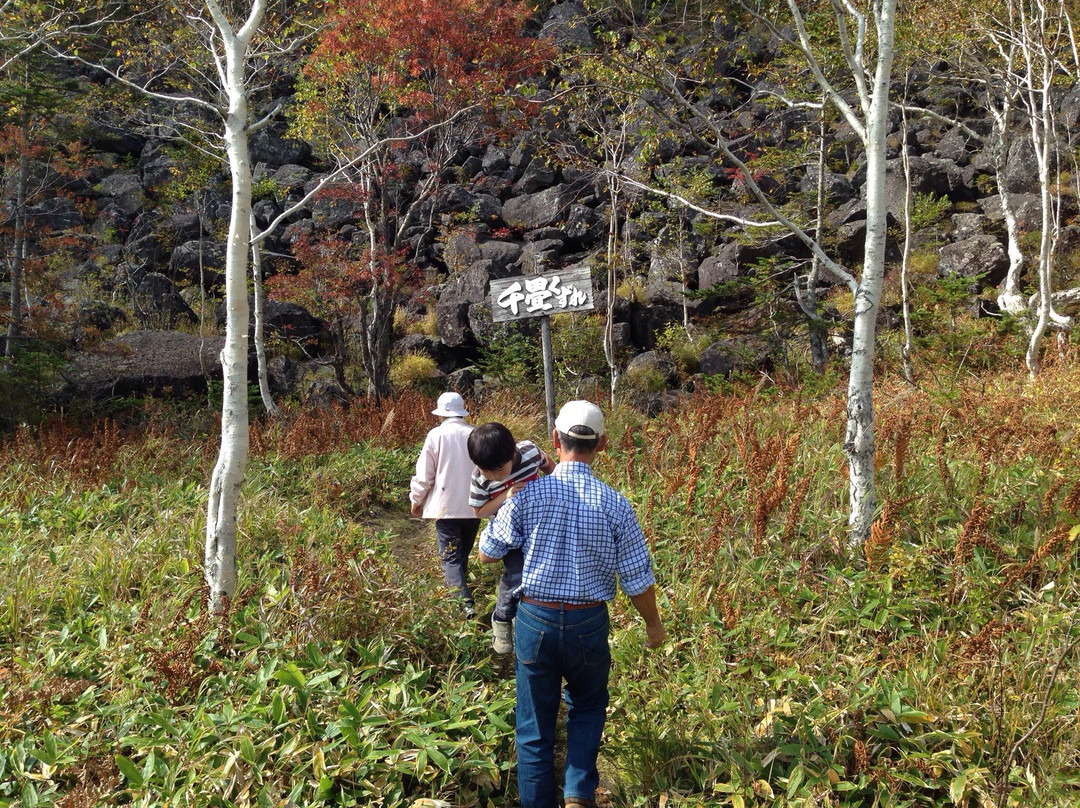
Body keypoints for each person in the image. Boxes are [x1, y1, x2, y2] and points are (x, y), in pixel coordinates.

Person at [477, 400, 665, 808]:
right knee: (588, 703)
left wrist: (506, 510)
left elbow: (488, 552)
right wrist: (653, 625)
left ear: (555, 440)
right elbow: (636, 577)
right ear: (602, 444)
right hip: (588, 623)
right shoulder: (616, 504)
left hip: (534, 619)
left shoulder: (527, 497)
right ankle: (579, 791)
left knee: (534, 725)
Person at [467, 422, 556, 655]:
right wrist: (505, 496)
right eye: (488, 471)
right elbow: (480, 511)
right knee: (516, 575)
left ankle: (527, 621)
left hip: (541, 524)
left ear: (512, 453)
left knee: (544, 574)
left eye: (499, 470)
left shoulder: (530, 452)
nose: (494, 476)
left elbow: (551, 468)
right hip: (510, 532)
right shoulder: (479, 478)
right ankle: (502, 618)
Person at [409, 391, 480, 618]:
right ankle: (460, 602)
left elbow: (425, 475)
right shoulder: (475, 434)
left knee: (450, 557)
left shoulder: (436, 435)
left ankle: (463, 604)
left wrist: (416, 499)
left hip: (446, 506)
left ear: (441, 414)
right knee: (462, 555)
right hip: (474, 506)